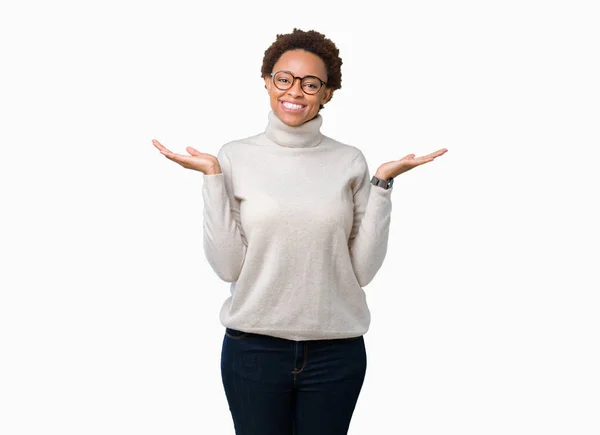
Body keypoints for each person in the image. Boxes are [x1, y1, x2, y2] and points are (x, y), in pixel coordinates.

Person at [152, 28, 447, 435]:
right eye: (284, 78)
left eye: (311, 83)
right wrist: (212, 178)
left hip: (336, 352)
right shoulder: (235, 156)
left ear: (327, 93)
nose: (295, 91)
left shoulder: (349, 161)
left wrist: (382, 185)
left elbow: (361, 272)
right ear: (267, 82)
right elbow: (226, 266)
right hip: (253, 348)